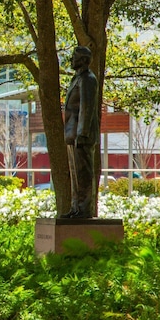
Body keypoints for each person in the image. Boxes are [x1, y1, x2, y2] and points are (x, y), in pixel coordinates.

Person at [63, 45, 100, 219]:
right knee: (75, 174)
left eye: (75, 56)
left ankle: (84, 209)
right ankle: (75, 207)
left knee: (84, 174)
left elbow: (87, 107)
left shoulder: (88, 79)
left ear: (83, 60)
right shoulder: (76, 79)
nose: (71, 59)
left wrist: (82, 133)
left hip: (82, 136)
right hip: (73, 135)